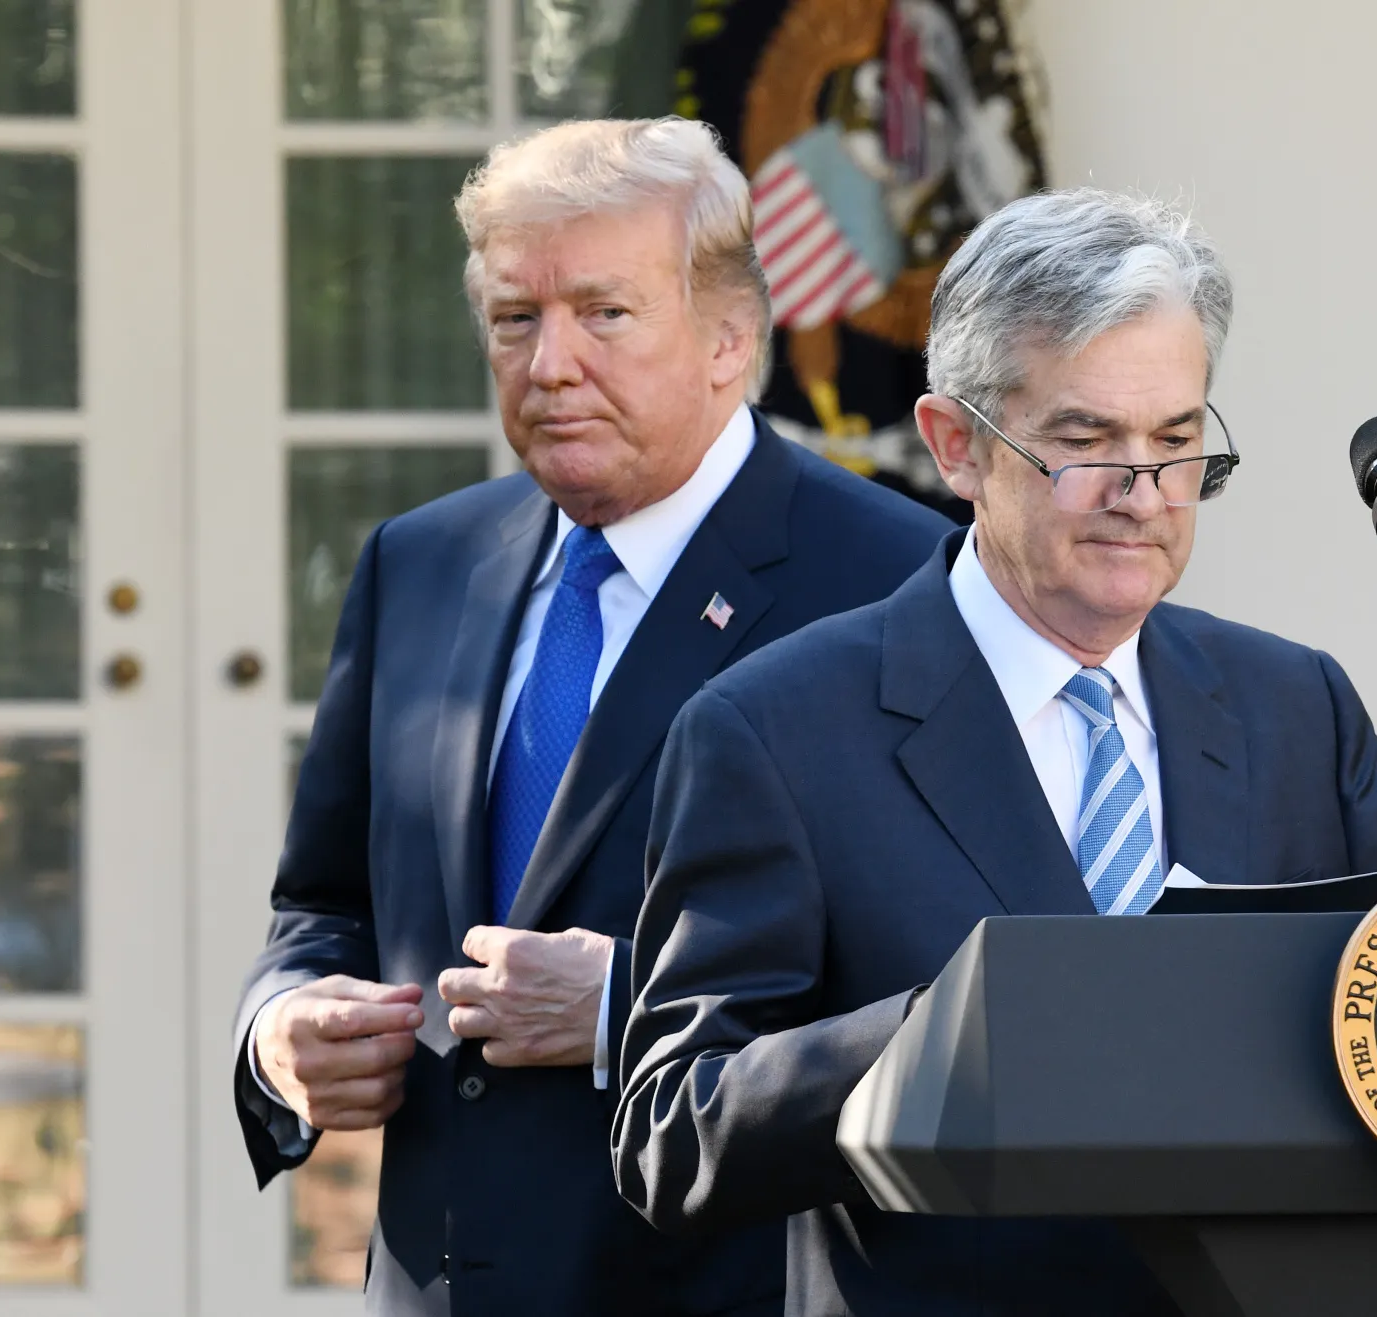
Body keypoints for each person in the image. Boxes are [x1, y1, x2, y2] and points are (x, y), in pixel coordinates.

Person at [612, 189, 1377, 1315]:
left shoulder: (1293, 704)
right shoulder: (774, 728)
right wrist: (948, 1034)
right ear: (957, 445)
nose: (1142, 496)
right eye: (1084, 440)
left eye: (1177, 442)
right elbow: (675, 1128)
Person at [232, 118, 950, 1315]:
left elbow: (942, 998)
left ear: (731, 338)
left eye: (604, 315)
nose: (549, 362)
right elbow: (322, 905)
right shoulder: (420, 564)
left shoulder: (897, 585)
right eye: (517, 320)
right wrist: (280, 1033)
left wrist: (629, 1012)